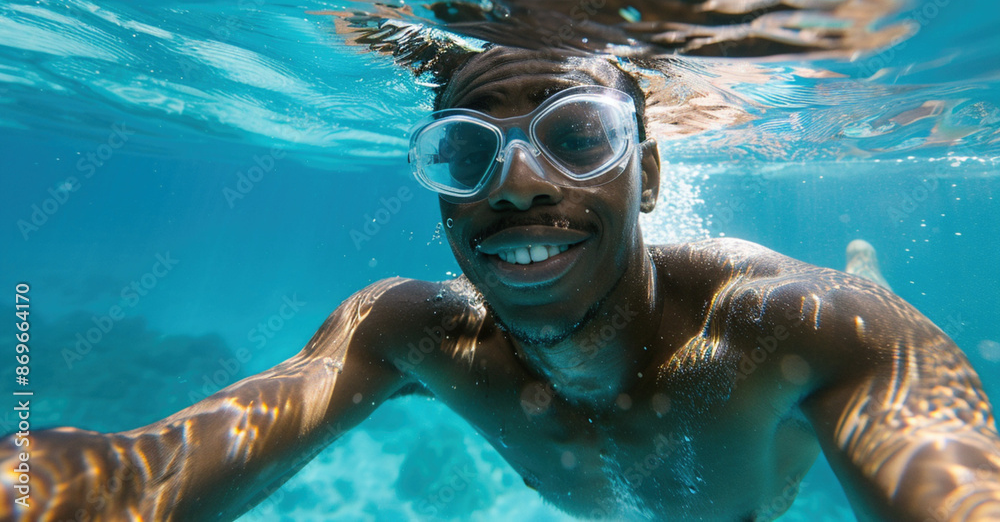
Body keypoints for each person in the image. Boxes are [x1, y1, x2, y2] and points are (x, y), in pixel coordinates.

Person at [3, 44, 1000, 521]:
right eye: (466, 151)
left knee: (860, 287)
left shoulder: (815, 330)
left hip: (797, 348)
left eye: (578, 137)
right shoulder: (413, 333)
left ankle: (869, 261)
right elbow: (137, 475)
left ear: (646, 173)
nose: (518, 182)